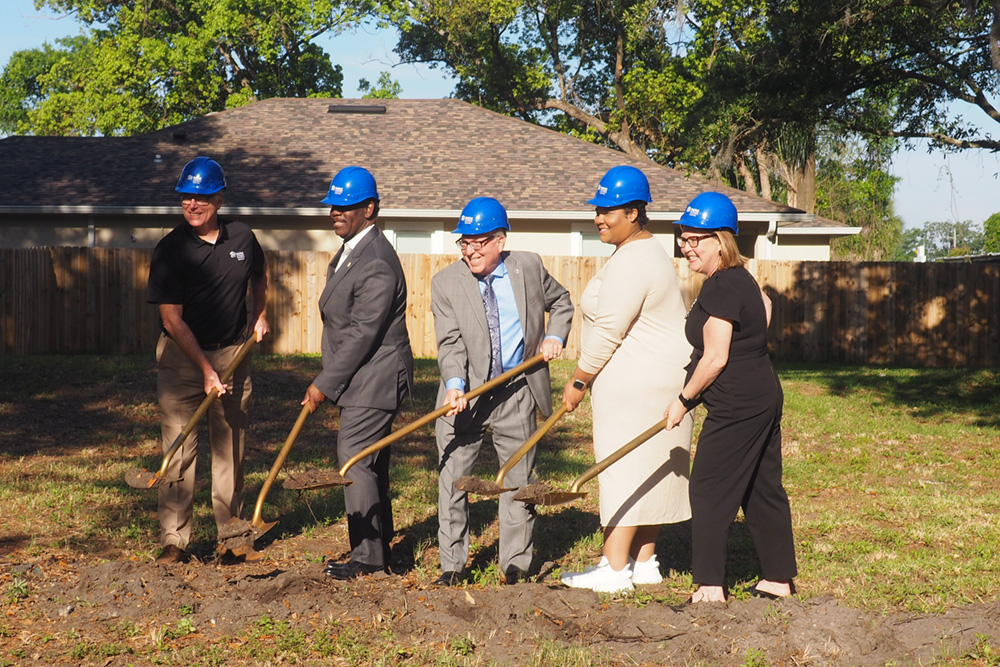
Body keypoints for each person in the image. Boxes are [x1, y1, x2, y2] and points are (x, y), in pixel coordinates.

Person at [559, 165, 694, 594]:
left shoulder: (633, 259)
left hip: (634, 384)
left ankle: (613, 569)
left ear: (634, 212)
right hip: (662, 380)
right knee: (649, 467)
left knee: (619, 470)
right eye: (597, 209)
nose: (599, 217)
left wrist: (578, 382)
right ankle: (646, 560)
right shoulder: (648, 251)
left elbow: (607, 331)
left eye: (608, 211)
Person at [431, 196, 574, 586]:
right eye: (464, 242)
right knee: (453, 479)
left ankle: (515, 564)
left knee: (518, 480)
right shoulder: (446, 283)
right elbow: (450, 343)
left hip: (516, 387)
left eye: (480, 242)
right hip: (466, 396)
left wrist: (554, 334)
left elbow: (561, 301)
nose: (471, 251)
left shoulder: (526, 266)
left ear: (500, 239)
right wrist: (456, 386)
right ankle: (452, 565)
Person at [664, 191, 797, 602]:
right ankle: (778, 578)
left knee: (708, 487)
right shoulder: (743, 279)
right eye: (683, 240)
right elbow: (766, 309)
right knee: (760, 486)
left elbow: (716, 357)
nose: (686, 249)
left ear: (720, 242)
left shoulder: (720, 287)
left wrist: (683, 401)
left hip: (737, 402)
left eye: (694, 240)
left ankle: (709, 586)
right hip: (762, 391)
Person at [146, 156, 270, 564]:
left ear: (219, 197)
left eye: (200, 197)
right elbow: (171, 318)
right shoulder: (170, 250)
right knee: (179, 447)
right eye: (185, 198)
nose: (192, 205)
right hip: (184, 360)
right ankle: (174, 541)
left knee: (229, 446)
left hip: (233, 352)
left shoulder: (243, 238)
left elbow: (260, 276)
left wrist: (260, 314)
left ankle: (231, 537)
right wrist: (205, 370)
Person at [302, 166, 414, 580]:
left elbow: (364, 334)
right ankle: (379, 550)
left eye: (345, 206)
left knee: (354, 459)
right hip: (363, 373)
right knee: (372, 462)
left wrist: (323, 385)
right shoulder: (352, 250)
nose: (335, 212)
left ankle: (367, 559)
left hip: (377, 374)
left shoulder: (376, 261)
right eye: (333, 205)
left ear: (369, 208)